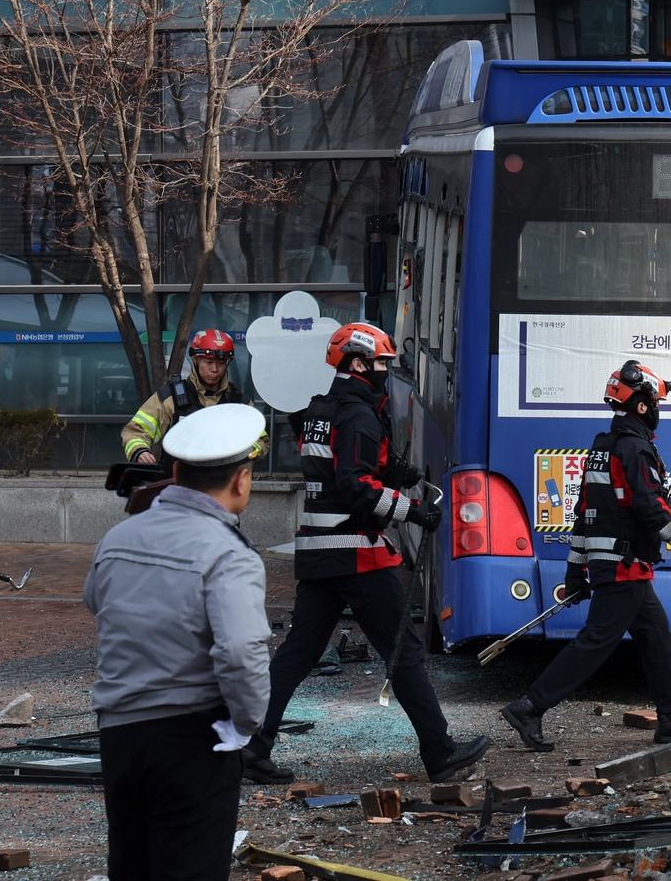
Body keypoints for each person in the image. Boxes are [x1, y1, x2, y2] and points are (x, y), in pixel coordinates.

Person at [242, 322, 490, 784]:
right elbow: (357, 486)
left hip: (320, 552)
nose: (384, 372)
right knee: (404, 652)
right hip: (357, 553)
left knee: (297, 654)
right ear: (357, 363)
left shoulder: (323, 408)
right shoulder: (358, 414)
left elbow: (347, 465)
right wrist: (412, 511)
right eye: (380, 364)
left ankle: (254, 749)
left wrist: (402, 471)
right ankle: (440, 754)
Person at [85, 403, 271, 879]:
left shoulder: (118, 537)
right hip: (193, 739)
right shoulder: (230, 555)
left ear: (175, 472)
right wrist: (246, 725)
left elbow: (96, 600)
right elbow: (240, 653)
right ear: (241, 480)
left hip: (119, 737)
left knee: (132, 868)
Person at [502, 361, 671, 751]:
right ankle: (530, 706)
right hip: (624, 566)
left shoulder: (602, 449)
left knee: (657, 640)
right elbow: (652, 509)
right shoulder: (637, 451)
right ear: (644, 407)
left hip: (616, 566)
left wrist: (575, 572)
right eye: (656, 402)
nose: (659, 410)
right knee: (596, 642)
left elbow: (584, 514)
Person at [121, 328, 266, 466]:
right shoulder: (171, 398)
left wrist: (247, 452)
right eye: (208, 362)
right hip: (179, 484)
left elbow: (260, 441)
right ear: (196, 360)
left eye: (221, 363)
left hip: (223, 488)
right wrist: (139, 451)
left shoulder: (239, 403)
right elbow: (135, 432)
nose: (215, 369)